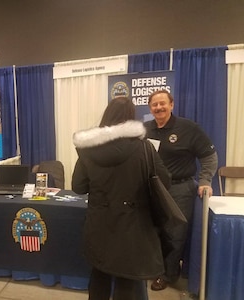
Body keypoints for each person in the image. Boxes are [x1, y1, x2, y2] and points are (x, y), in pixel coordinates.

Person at [72, 97, 171, 300]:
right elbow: (165, 182)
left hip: (99, 223)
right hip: (133, 224)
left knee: (99, 274)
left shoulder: (88, 148)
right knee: (128, 280)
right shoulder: (144, 148)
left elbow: (78, 187)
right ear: (130, 119)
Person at [144, 90, 218, 291]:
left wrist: (205, 180)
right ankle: (155, 268)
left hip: (180, 189)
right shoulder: (144, 129)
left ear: (172, 105)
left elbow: (209, 157)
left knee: (175, 234)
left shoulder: (188, 128)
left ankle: (169, 275)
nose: (159, 108)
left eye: (162, 103)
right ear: (150, 108)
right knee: (154, 231)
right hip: (153, 189)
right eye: (154, 105)